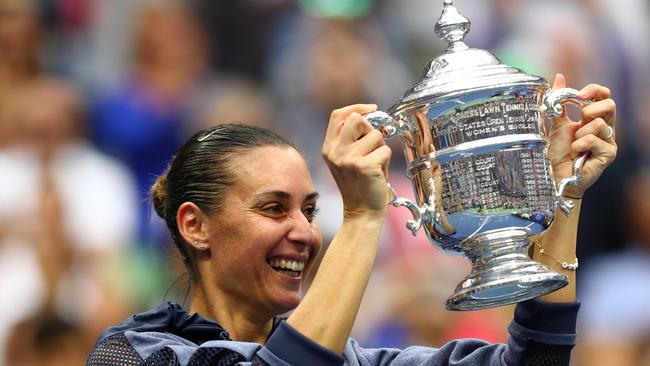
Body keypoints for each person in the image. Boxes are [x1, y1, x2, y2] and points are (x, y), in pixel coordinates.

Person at [86, 75, 617, 365]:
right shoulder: (131, 354)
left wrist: (560, 195)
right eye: (274, 208)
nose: (305, 232)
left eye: (310, 210)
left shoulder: (350, 359)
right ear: (194, 224)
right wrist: (365, 213)